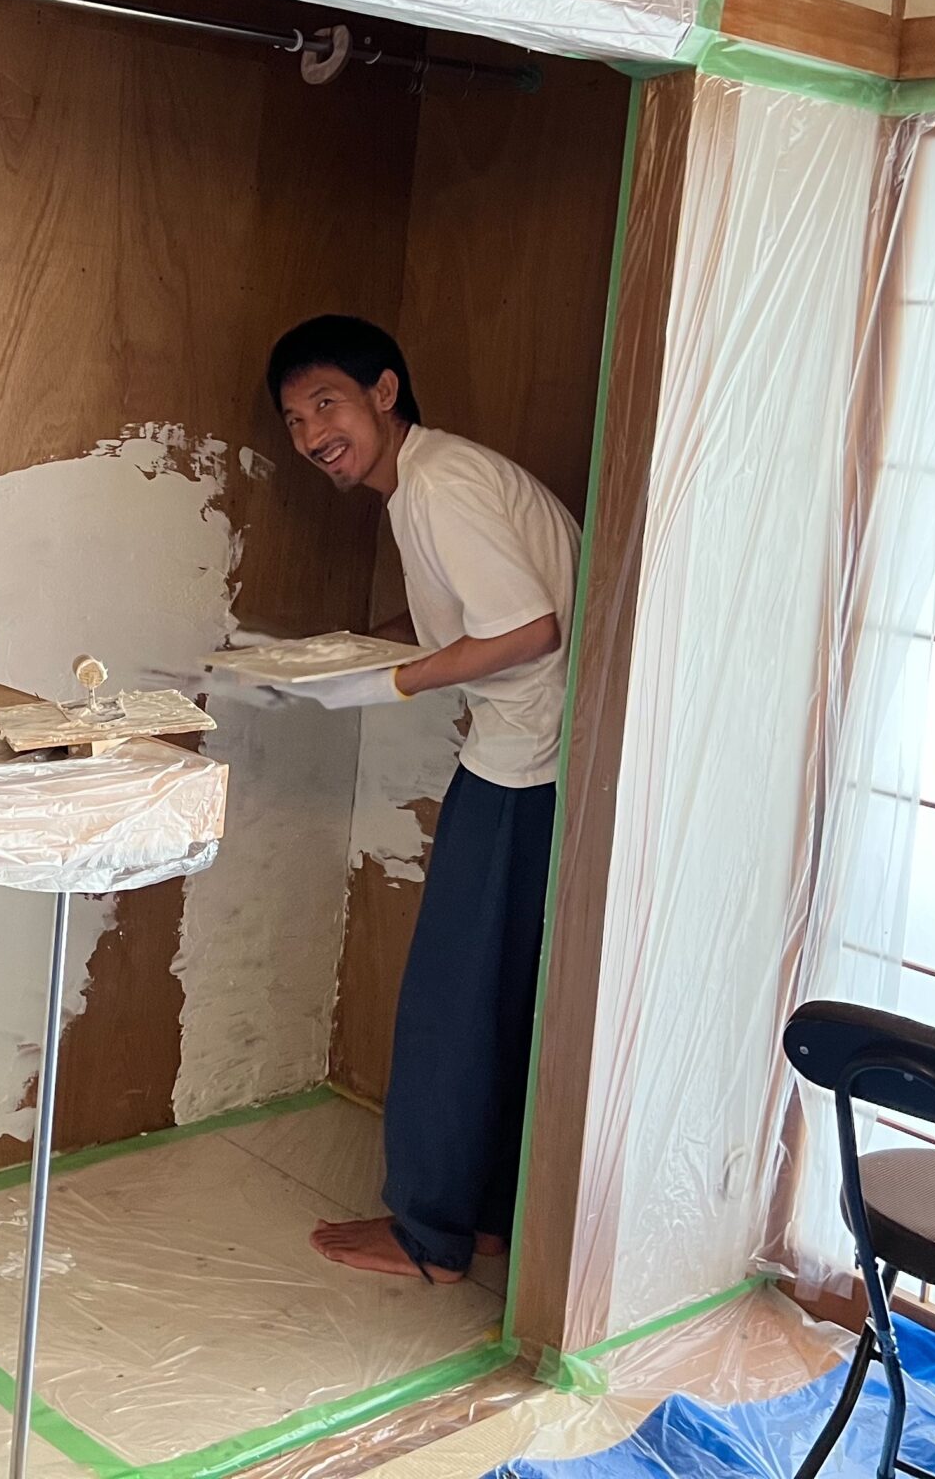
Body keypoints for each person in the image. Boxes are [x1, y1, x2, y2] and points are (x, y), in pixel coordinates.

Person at [265, 315, 580, 1282]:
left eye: (327, 403)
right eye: (293, 419)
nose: (312, 433)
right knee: (496, 995)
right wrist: (350, 651)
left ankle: (430, 1235)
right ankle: (480, 1219)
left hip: (527, 763)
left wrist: (392, 682)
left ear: (385, 393)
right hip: (542, 759)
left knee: (454, 998)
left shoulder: (438, 484)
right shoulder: (428, 482)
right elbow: (471, 615)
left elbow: (529, 631)